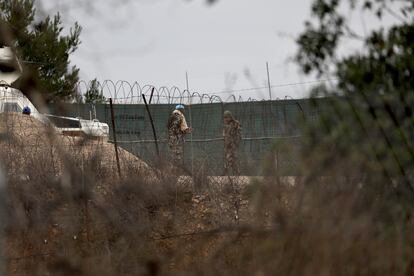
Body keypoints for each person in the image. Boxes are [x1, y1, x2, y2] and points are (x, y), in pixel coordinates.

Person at [223, 110, 242, 176]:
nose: (225, 119)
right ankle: (235, 173)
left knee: (231, 159)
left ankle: (233, 173)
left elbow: (238, 133)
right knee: (230, 159)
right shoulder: (226, 125)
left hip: (233, 145)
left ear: (230, 117)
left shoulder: (235, 123)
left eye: (227, 117)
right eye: (224, 117)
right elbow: (225, 136)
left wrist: (236, 142)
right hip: (228, 145)